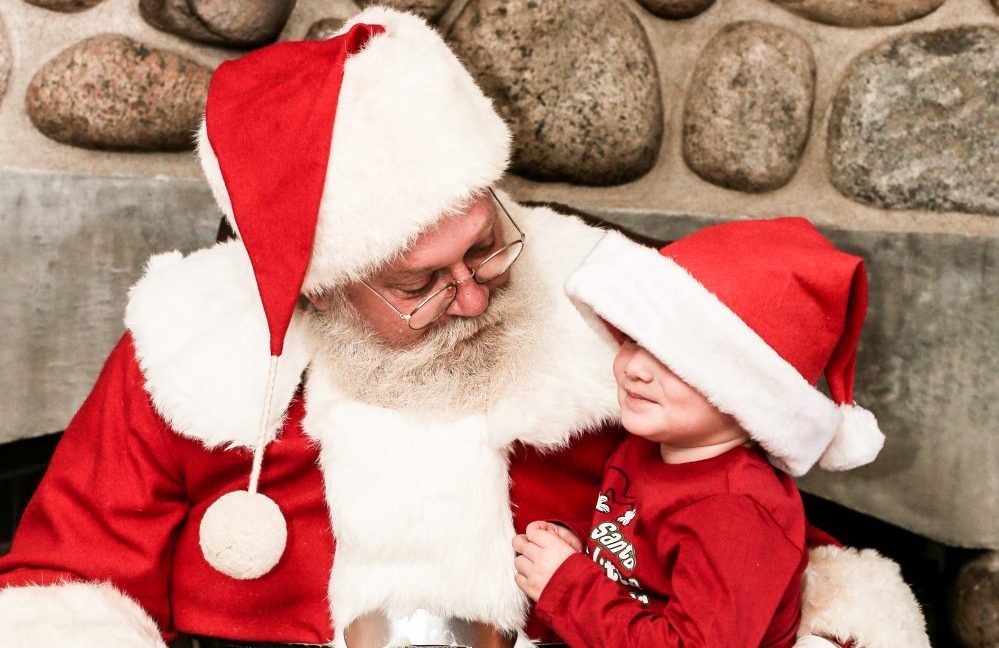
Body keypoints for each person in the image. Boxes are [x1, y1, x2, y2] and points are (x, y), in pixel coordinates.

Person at [0, 7, 928, 648]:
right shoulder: (187, 345)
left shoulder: (603, 306)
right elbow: (63, 588)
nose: (479, 299)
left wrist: (841, 616)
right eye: (422, 284)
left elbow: (735, 506)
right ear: (317, 291)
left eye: (484, 248)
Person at [513, 220, 902, 647]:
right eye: (633, 340)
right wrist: (578, 543)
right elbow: (637, 559)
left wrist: (568, 585)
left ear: (746, 393)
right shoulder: (645, 447)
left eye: (675, 361)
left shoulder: (736, 512)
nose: (636, 368)